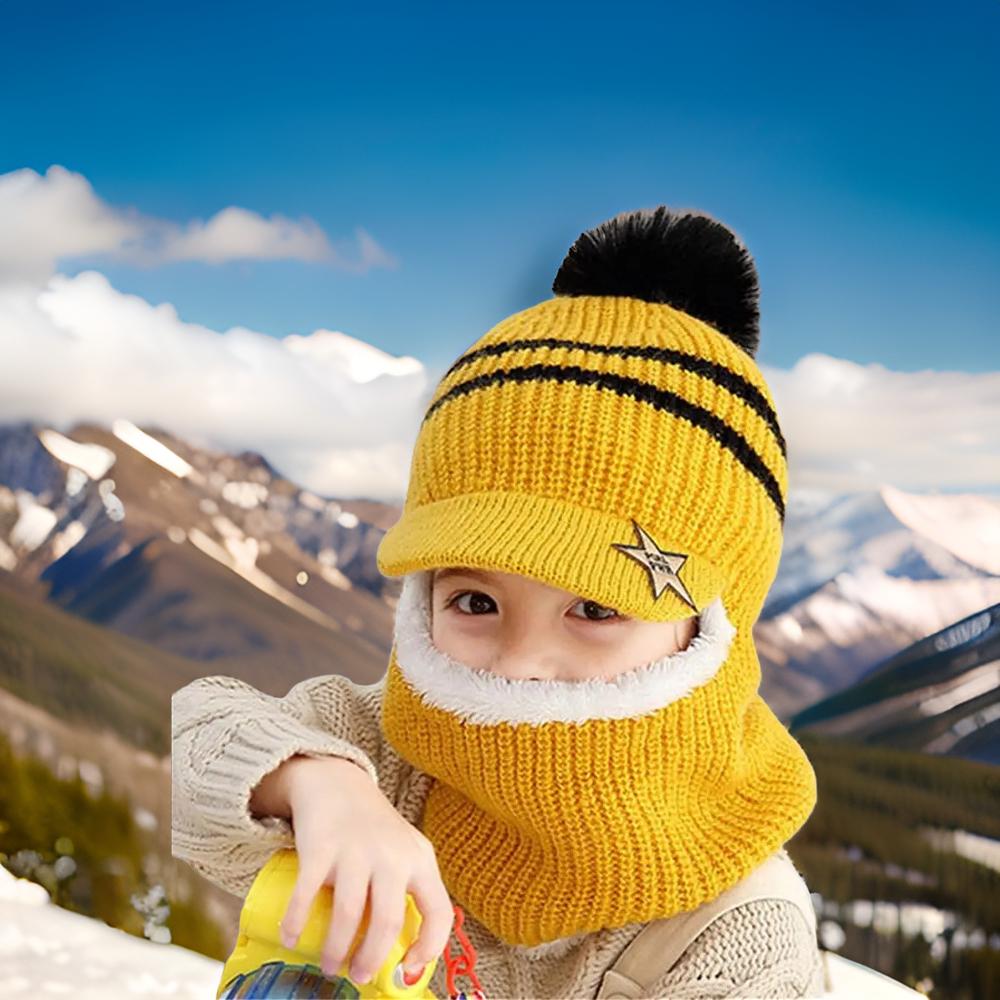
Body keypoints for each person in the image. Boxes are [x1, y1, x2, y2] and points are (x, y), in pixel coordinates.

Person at [172, 204, 827, 998]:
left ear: (710, 625)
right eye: (476, 602)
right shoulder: (388, 751)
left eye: (595, 608)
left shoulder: (740, 929)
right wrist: (318, 783)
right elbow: (193, 740)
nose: (519, 667)